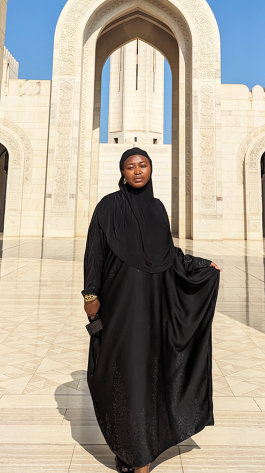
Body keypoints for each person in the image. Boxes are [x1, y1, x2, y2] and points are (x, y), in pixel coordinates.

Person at [82, 147, 221, 473]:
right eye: (130, 167)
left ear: (150, 169)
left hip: (154, 308)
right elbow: (95, 251)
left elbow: (168, 254)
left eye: (143, 165)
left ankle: (139, 453)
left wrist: (201, 266)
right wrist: (90, 295)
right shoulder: (109, 206)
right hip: (120, 308)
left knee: (147, 376)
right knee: (122, 375)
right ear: (123, 172)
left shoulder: (157, 209)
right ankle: (131, 448)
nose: (137, 171)